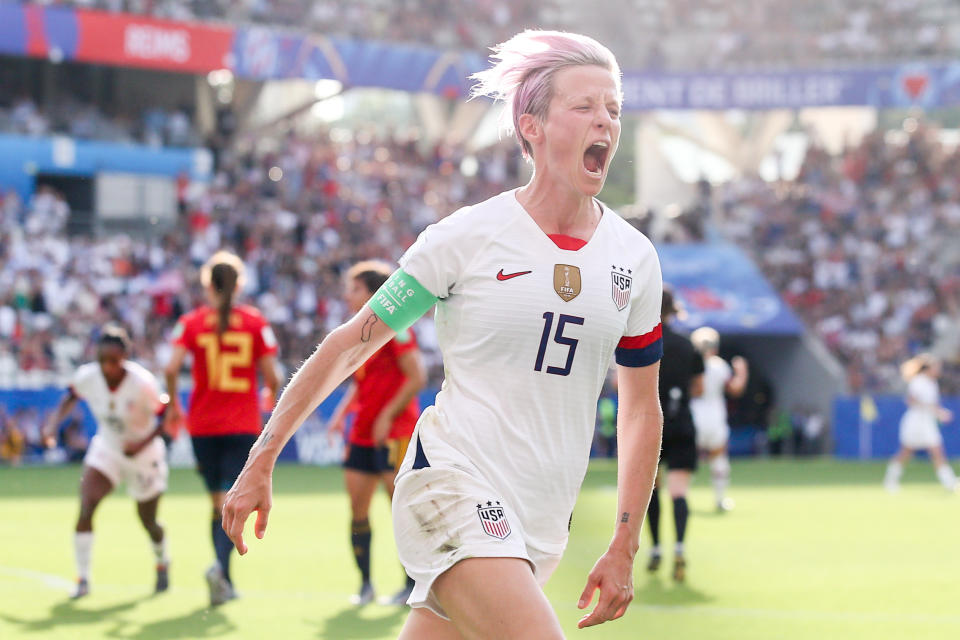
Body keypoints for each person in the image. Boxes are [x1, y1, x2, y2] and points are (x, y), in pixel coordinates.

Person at [223, 30, 665, 638]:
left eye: (613, 108)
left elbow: (642, 411)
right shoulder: (466, 237)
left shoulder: (635, 259)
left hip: (538, 520)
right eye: (584, 106)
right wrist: (263, 456)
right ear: (530, 125)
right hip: (449, 485)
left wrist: (624, 542)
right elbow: (353, 341)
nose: (605, 123)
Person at [164, 250, 280, 606]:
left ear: (207, 285)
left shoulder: (192, 322)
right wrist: (268, 398)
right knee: (228, 502)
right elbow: (273, 375)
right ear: (239, 283)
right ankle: (220, 571)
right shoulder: (255, 321)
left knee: (217, 502)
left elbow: (170, 369)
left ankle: (222, 575)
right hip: (242, 424)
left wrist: (173, 409)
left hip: (203, 425)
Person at [41, 325, 170, 599]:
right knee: (87, 506)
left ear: (124, 357)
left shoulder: (143, 383)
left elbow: (167, 416)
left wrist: (141, 444)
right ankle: (83, 579)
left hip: (144, 455)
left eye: (112, 361)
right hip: (109, 447)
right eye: (101, 361)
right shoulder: (89, 376)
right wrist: (53, 424)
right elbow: (72, 395)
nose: (106, 368)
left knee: (148, 520)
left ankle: (162, 560)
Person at [326, 260, 426, 606]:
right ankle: (366, 585)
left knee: (400, 510)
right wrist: (340, 416)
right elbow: (361, 382)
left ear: (373, 293)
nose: (348, 294)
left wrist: (387, 415)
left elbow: (417, 377)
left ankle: (412, 585)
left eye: (354, 288)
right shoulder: (362, 330)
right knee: (357, 507)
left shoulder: (399, 327)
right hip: (363, 431)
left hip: (393, 432)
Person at [646, 289, 704, 582]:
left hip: (649, 424)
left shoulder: (643, 341)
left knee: (652, 489)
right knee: (679, 491)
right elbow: (699, 387)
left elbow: (623, 385)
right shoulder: (687, 345)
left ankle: (655, 548)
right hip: (682, 422)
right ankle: (679, 547)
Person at [689, 326, 748, 511]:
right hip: (714, 416)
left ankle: (681, 498)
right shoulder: (719, 365)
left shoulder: (689, 363)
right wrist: (742, 372)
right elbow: (735, 389)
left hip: (693, 414)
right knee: (719, 458)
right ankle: (720, 499)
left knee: (687, 459)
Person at [884, 354, 957, 492]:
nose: (938, 370)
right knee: (905, 452)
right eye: (936, 367)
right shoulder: (918, 381)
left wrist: (940, 413)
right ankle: (890, 480)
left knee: (937, 451)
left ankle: (949, 482)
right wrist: (935, 411)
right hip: (915, 421)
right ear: (927, 368)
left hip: (927, 422)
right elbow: (911, 400)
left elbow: (933, 404)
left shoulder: (932, 383)